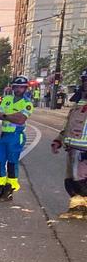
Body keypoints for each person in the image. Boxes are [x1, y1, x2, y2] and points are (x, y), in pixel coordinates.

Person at [0, 76, 34, 201]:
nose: (18, 89)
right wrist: (12, 115)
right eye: (16, 87)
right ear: (13, 88)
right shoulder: (7, 99)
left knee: (12, 163)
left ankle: (9, 189)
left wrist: (6, 115)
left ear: (25, 88)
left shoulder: (27, 103)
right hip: (4, 135)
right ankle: (0, 187)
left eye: (21, 87)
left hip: (16, 136)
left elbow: (21, 119)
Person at [51, 68, 87, 219]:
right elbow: (69, 126)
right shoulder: (79, 103)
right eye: (85, 81)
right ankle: (77, 209)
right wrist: (58, 140)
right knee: (70, 181)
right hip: (73, 149)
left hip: (84, 152)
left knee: (80, 181)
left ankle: (82, 208)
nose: (85, 85)